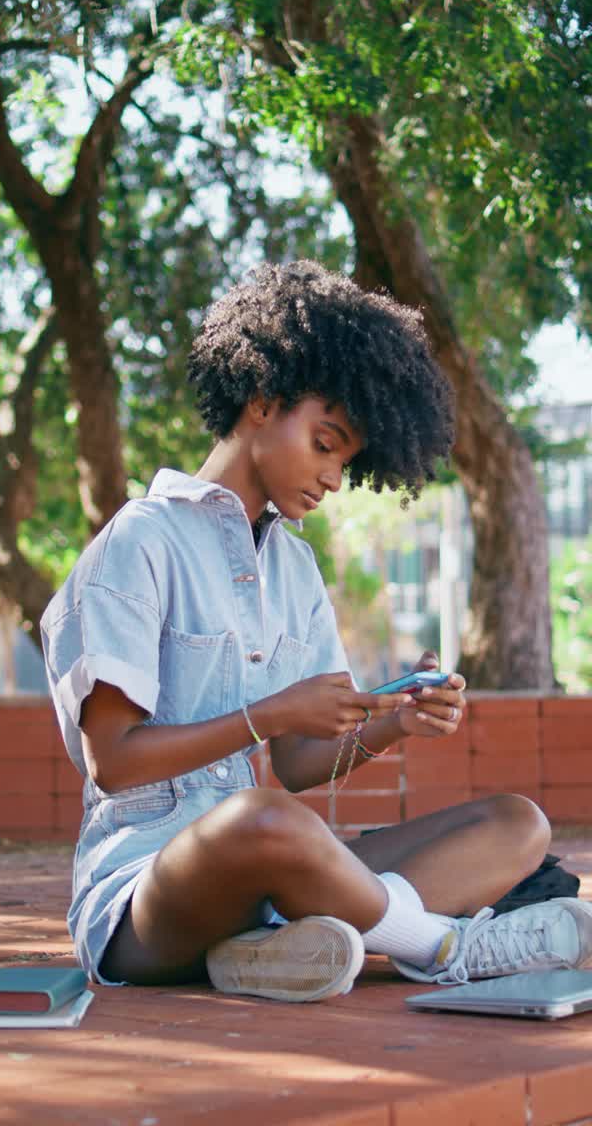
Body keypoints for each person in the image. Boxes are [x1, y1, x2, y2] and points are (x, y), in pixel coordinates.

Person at [41, 260, 592, 1003]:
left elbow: (300, 761)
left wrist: (393, 719)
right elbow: (111, 763)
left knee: (515, 824)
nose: (335, 477)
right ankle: (446, 946)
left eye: (348, 460)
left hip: (273, 870)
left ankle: (275, 949)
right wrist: (267, 715)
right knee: (266, 818)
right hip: (146, 896)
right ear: (262, 402)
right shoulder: (140, 542)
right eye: (326, 443)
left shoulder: (294, 569)